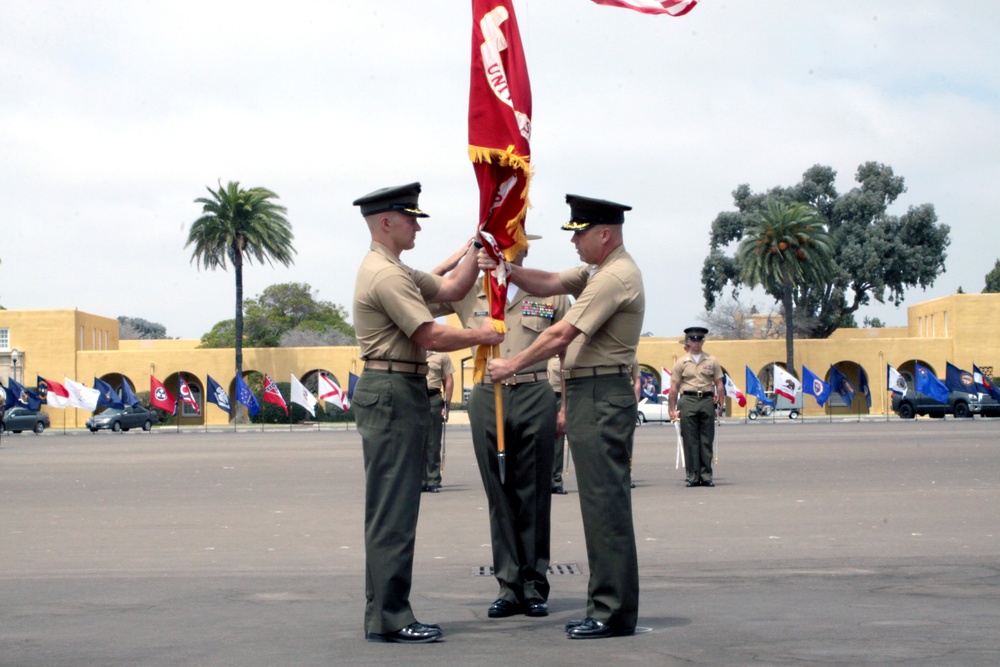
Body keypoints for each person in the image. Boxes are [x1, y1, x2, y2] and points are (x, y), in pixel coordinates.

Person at [482, 194, 644, 640]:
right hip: (592, 390)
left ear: (604, 234)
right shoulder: (597, 271)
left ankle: (611, 612)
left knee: (605, 506)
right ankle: (607, 606)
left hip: (603, 392)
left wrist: (513, 365)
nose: (574, 242)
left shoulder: (614, 277)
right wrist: (504, 268)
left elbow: (561, 333)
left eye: (581, 233)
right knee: (599, 504)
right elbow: (548, 281)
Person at [351, 182, 503, 644]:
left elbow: (456, 286)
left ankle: (384, 613)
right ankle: (391, 616)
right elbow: (430, 337)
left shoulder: (395, 268)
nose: (417, 224)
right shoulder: (387, 275)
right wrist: (486, 335)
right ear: (386, 223)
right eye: (411, 218)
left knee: (393, 508)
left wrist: (480, 241)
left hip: (401, 387)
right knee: (393, 511)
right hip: (393, 389)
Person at [439, 236, 570, 619]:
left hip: (534, 393)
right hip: (485, 395)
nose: (508, 252)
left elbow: (569, 349)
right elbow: (416, 294)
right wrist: (461, 257)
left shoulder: (550, 292)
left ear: (526, 248)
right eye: (499, 246)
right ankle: (508, 585)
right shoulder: (469, 291)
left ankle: (533, 584)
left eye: (515, 245)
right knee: (499, 494)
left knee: (534, 493)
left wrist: (567, 405)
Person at [668, 327, 725, 488]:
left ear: (703, 341)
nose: (696, 343)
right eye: (693, 340)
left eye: (699, 340)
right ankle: (692, 476)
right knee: (690, 440)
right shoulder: (681, 362)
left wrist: (721, 402)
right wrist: (671, 408)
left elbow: (719, 383)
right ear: (688, 342)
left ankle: (706, 475)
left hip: (706, 400)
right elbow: (674, 387)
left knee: (706, 440)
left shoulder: (711, 361)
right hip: (688, 400)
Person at [422, 351, 454, 493]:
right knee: (413, 442)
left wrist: (446, 405)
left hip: (433, 398)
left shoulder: (441, 355)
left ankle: (433, 479)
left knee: (433, 442)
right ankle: (419, 480)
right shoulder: (411, 351)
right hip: (413, 397)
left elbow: (448, 380)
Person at [547, 356, 568, 495]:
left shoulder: (564, 354)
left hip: (559, 397)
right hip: (542, 395)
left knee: (558, 442)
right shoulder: (543, 354)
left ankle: (555, 481)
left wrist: (563, 408)